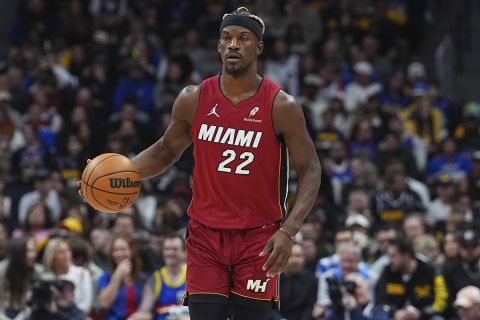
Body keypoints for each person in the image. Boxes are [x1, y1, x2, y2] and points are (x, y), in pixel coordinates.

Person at [80, 6, 321, 320]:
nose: (233, 44)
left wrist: (289, 232)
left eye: (243, 38)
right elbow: (166, 151)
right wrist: (112, 177)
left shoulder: (280, 105)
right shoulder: (193, 98)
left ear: (258, 47)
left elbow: (311, 168)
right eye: (226, 38)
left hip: (258, 236)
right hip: (206, 235)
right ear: (219, 46)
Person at [375, 236, 448, 319]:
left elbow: (442, 301)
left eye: (393, 256)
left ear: (406, 255)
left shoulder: (430, 271)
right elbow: (380, 301)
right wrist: (394, 312)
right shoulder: (387, 272)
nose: (390, 260)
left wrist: (422, 313)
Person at [129, 233, 187, 320]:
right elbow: (144, 311)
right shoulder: (156, 279)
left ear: (184, 253)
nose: (170, 253)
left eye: (175, 249)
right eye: (167, 249)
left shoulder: (193, 276)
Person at [97, 236, 147, 320]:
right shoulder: (105, 277)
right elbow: (104, 304)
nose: (119, 254)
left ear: (131, 251)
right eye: (115, 250)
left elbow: (148, 308)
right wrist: (117, 277)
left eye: (123, 249)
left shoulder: (142, 278)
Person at [0, 238, 42, 320]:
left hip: (26, 315)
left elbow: (34, 305)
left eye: (34, 251)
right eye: (28, 251)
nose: (33, 255)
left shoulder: (38, 272)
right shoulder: (1, 270)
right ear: (18, 253)